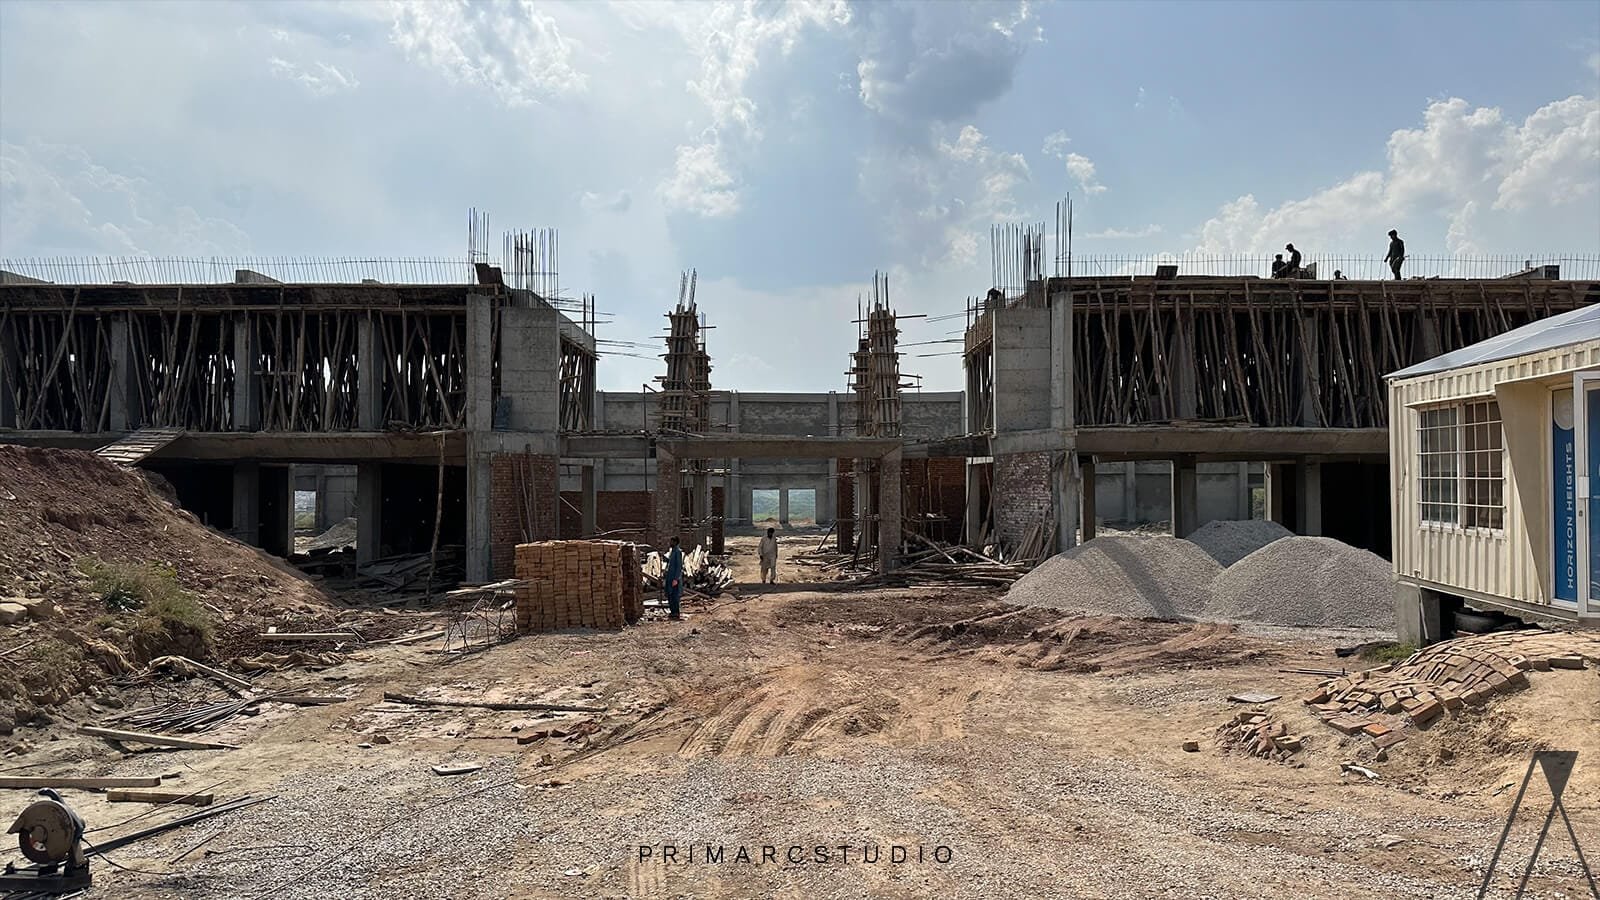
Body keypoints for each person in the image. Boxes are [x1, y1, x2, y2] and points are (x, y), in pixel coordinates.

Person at [663, 536, 684, 620]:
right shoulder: (672, 551)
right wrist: (666, 559)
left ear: (675, 542)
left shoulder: (678, 552)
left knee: (674, 596)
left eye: (671, 542)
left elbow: (679, 566)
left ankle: (676, 612)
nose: (670, 543)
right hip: (669, 576)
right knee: (670, 595)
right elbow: (671, 562)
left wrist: (676, 579)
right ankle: (672, 612)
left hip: (674, 578)